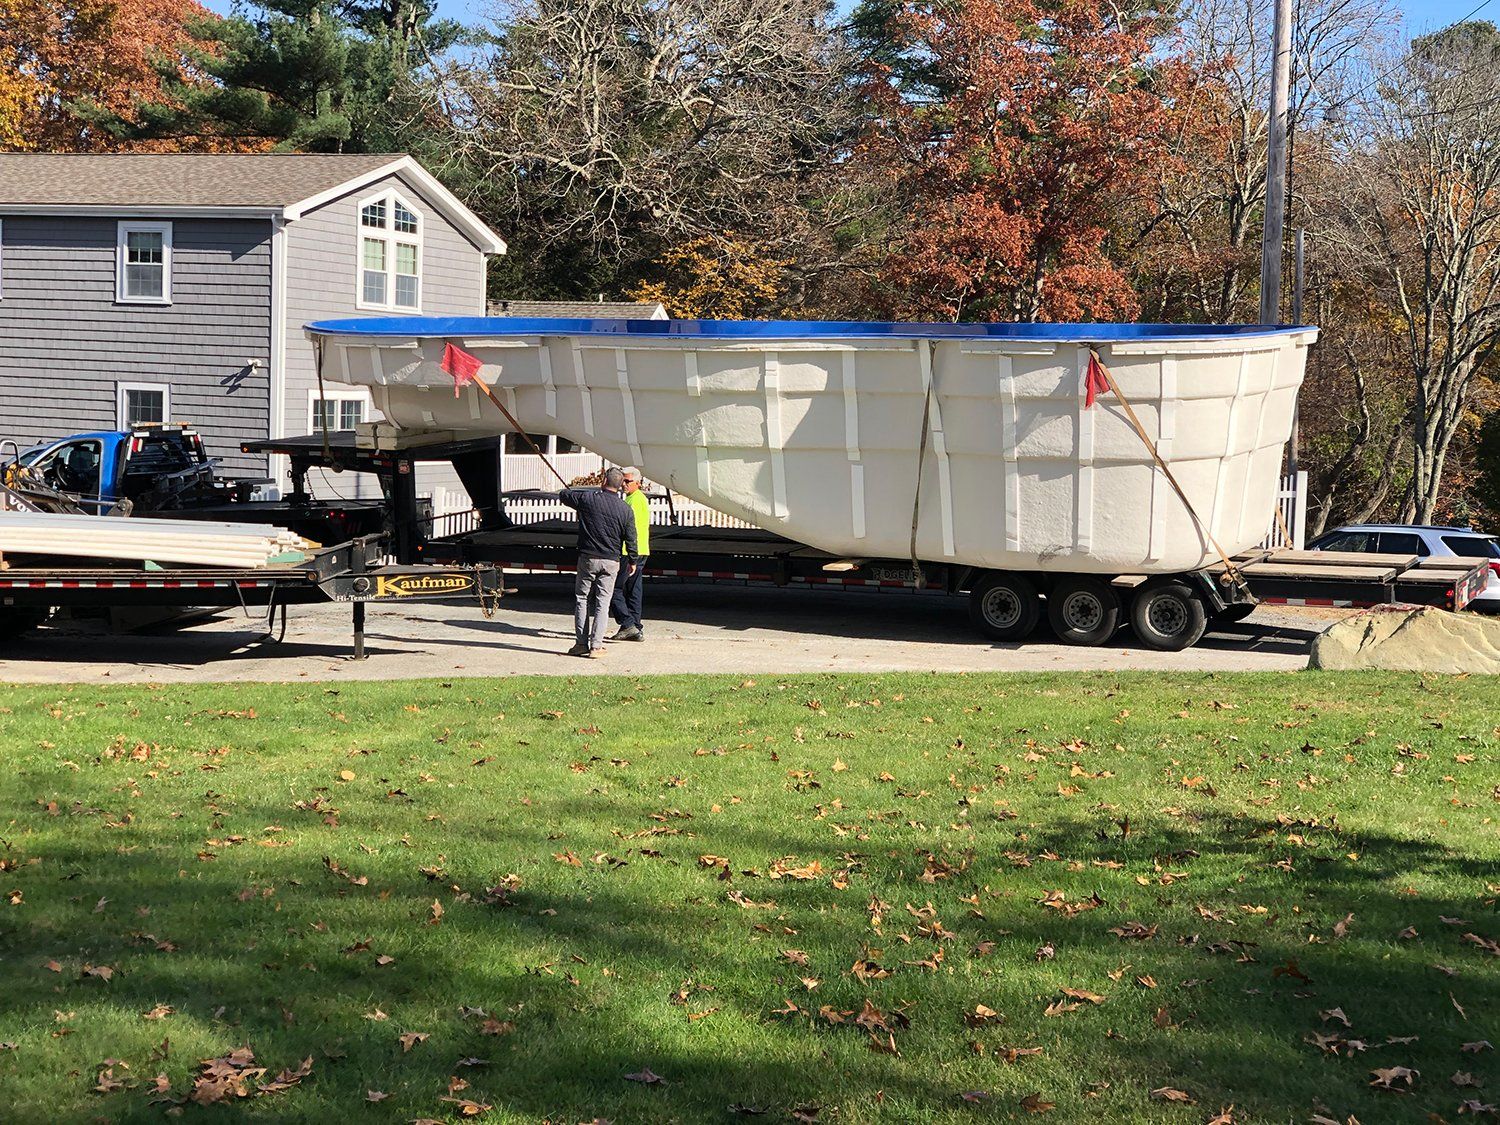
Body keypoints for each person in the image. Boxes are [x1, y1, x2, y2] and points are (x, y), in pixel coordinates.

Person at [558, 467, 638, 657]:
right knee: (603, 602)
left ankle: (580, 644)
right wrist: (633, 560)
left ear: (603, 481)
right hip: (611, 560)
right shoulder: (625, 509)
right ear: (620, 486)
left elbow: (563, 495)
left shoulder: (587, 499)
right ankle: (596, 646)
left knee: (582, 599)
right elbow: (631, 538)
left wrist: (570, 490)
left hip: (588, 558)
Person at [609, 466, 650, 641]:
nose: (623, 484)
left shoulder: (634, 501)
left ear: (638, 483)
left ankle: (627, 624)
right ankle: (635, 625)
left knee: (613, 589)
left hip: (629, 552)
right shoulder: (638, 499)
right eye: (623, 481)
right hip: (641, 550)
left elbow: (628, 529)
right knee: (633, 590)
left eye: (627, 481)